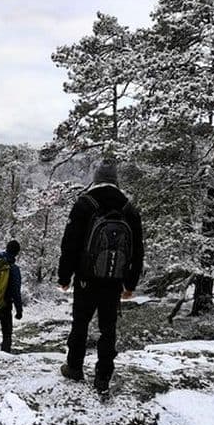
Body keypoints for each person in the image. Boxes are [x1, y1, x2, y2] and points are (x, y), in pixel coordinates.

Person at [58, 159, 144, 392]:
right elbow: (138, 250)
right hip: (114, 279)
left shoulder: (85, 203)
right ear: (116, 181)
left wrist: (64, 277)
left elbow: (69, 244)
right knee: (108, 328)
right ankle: (103, 376)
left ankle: (74, 367)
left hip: (86, 277)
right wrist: (130, 284)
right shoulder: (129, 208)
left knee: (80, 323)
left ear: (96, 179)